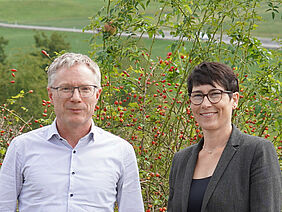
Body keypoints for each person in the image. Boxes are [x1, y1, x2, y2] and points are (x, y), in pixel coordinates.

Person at [0, 53, 144, 212]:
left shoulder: (121, 151)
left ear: (97, 95)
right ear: (50, 95)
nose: (76, 98)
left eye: (85, 89)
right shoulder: (21, 148)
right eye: (66, 88)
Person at [167, 62, 281, 212]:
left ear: (234, 100)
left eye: (215, 94)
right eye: (198, 95)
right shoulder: (181, 160)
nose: (205, 104)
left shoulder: (257, 152)